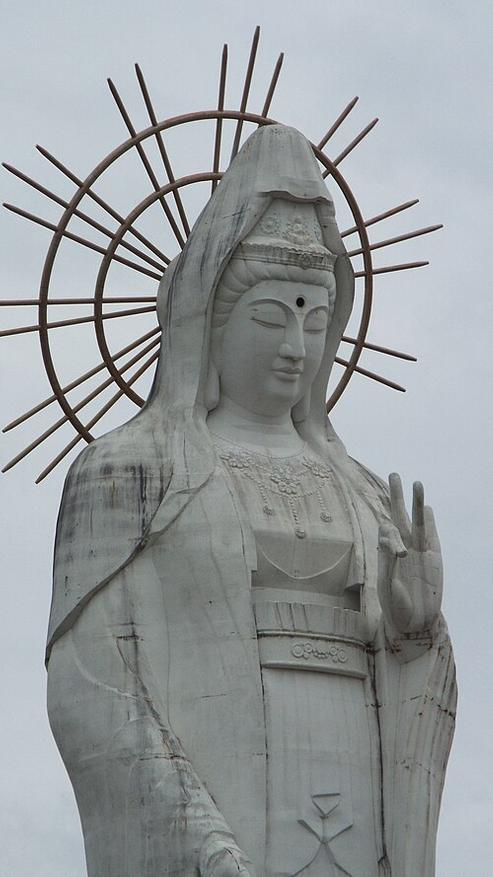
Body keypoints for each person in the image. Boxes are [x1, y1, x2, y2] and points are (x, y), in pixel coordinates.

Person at [46, 124, 456, 877]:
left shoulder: (364, 493)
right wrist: (197, 837)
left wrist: (415, 634)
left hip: (353, 781)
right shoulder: (128, 471)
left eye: (314, 320)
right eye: (271, 317)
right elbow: (91, 683)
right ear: (208, 319)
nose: (296, 346)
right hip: (216, 798)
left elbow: (411, 681)